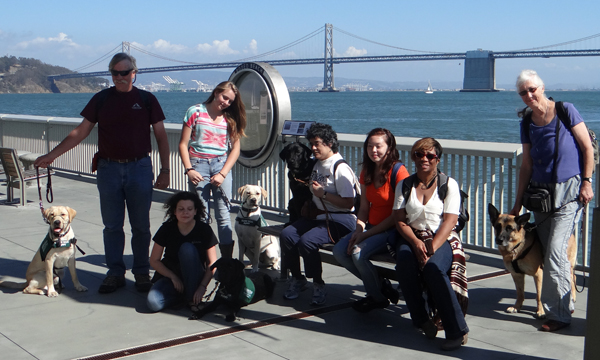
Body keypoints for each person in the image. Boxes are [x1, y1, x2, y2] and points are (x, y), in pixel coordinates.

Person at [34, 53, 171, 294]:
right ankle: (115, 273)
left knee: (141, 226)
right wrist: (51, 156)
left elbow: (161, 136)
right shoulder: (101, 99)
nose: (120, 77)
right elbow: (80, 132)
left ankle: (141, 272)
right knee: (112, 226)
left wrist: (165, 170)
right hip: (108, 168)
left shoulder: (147, 99)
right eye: (115, 73)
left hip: (139, 167)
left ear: (134, 73)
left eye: (125, 72)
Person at [510, 69, 594, 332]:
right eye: (523, 92)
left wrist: (587, 181)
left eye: (532, 89)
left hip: (570, 192)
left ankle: (558, 314)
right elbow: (527, 164)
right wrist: (518, 203)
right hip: (541, 196)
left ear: (542, 87)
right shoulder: (527, 122)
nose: (529, 95)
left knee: (557, 251)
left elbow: (587, 148)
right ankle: (560, 305)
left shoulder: (565, 110)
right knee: (549, 254)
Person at [392, 137, 469, 351]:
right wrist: (416, 242)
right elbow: (399, 219)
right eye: (418, 154)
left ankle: (457, 330)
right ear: (413, 157)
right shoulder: (405, 185)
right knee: (405, 264)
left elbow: (450, 220)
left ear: (437, 159)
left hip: (440, 236)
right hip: (412, 235)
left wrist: (431, 248)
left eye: (430, 155)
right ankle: (422, 319)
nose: (424, 159)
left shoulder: (448, 184)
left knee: (434, 268)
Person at [332, 128, 409, 312]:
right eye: (370, 146)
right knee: (340, 251)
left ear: (389, 148)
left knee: (358, 253)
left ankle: (376, 296)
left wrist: (366, 235)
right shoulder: (367, 170)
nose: (373, 150)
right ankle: (380, 286)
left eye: (378, 146)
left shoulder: (399, 172)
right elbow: (364, 207)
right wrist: (359, 230)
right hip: (371, 227)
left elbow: (397, 215)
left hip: (391, 230)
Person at [280, 123, 357, 306]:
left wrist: (323, 194)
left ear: (330, 144)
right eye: (312, 143)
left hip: (340, 219)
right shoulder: (316, 164)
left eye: (317, 144)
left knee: (308, 240)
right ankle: (298, 279)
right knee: (287, 234)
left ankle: (318, 284)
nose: (313, 148)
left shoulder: (340, 168)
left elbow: (349, 203)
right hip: (317, 216)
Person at [179, 81, 246, 259]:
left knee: (223, 215)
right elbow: (183, 144)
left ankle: (226, 261)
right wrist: (189, 169)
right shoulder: (195, 111)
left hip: (221, 165)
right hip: (198, 165)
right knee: (201, 215)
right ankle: (205, 258)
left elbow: (235, 149)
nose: (226, 103)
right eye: (225, 97)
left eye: (230, 101)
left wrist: (223, 173)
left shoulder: (229, 119)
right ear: (216, 92)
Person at [146, 192, 218, 312]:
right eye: (181, 209)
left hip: (195, 274)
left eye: (189, 209)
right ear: (174, 211)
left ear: (196, 211)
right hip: (171, 275)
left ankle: (191, 297)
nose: (185, 212)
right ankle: (184, 296)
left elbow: (212, 263)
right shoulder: (166, 228)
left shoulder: (204, 229)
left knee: (187, 249)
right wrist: (173, 277)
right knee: (153, 303)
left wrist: (202, 287)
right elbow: (154, 260)